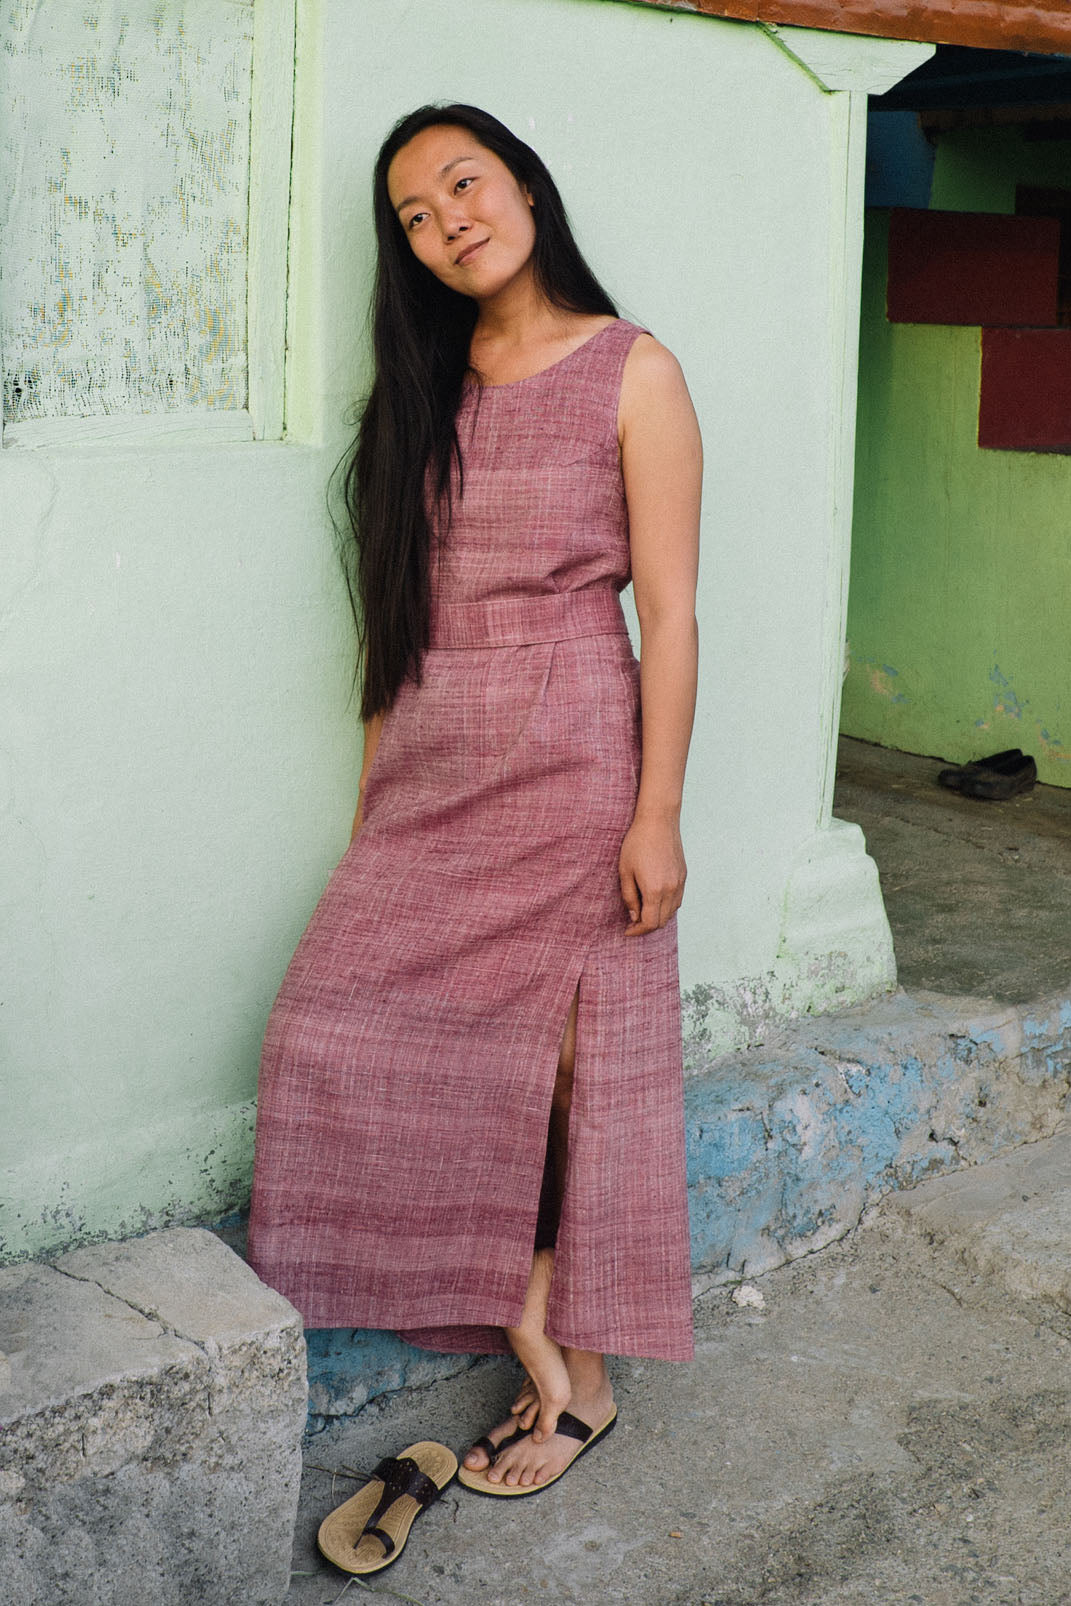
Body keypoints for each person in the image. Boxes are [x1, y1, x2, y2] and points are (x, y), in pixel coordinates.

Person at [247, 102, 702, 1500]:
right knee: (326, 1027)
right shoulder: (424, 391)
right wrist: (376, 802)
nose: (449, 221)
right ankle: (535, 1312)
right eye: (416, 215)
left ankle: (582, 1378)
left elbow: (672, 615)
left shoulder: (634, 371)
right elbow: (397, 621)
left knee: (570, 1058)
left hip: (575, 750)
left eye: (465, 183)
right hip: (437, 757)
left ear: (524, 187)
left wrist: (657, 812)